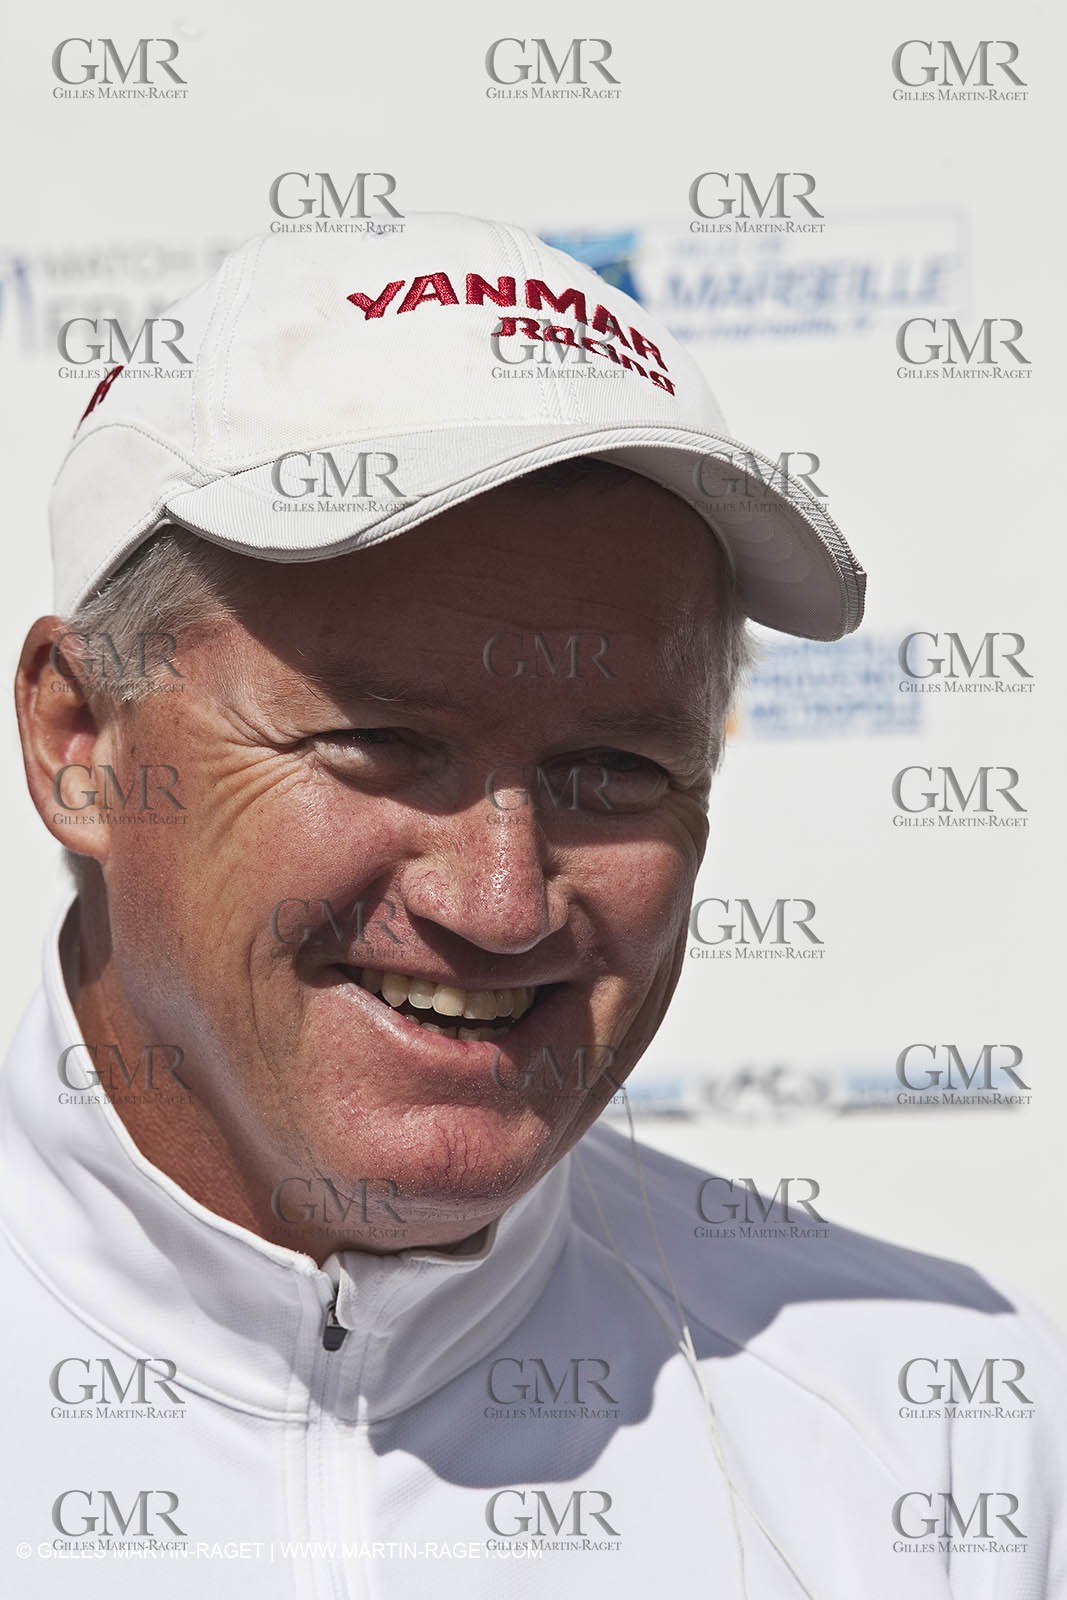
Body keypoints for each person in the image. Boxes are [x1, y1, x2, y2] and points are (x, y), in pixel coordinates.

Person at [2, 214, 1062, 1597]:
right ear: (81, 743)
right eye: (379, 743)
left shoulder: (949, 1435)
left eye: (613, 769)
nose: (502, 905)